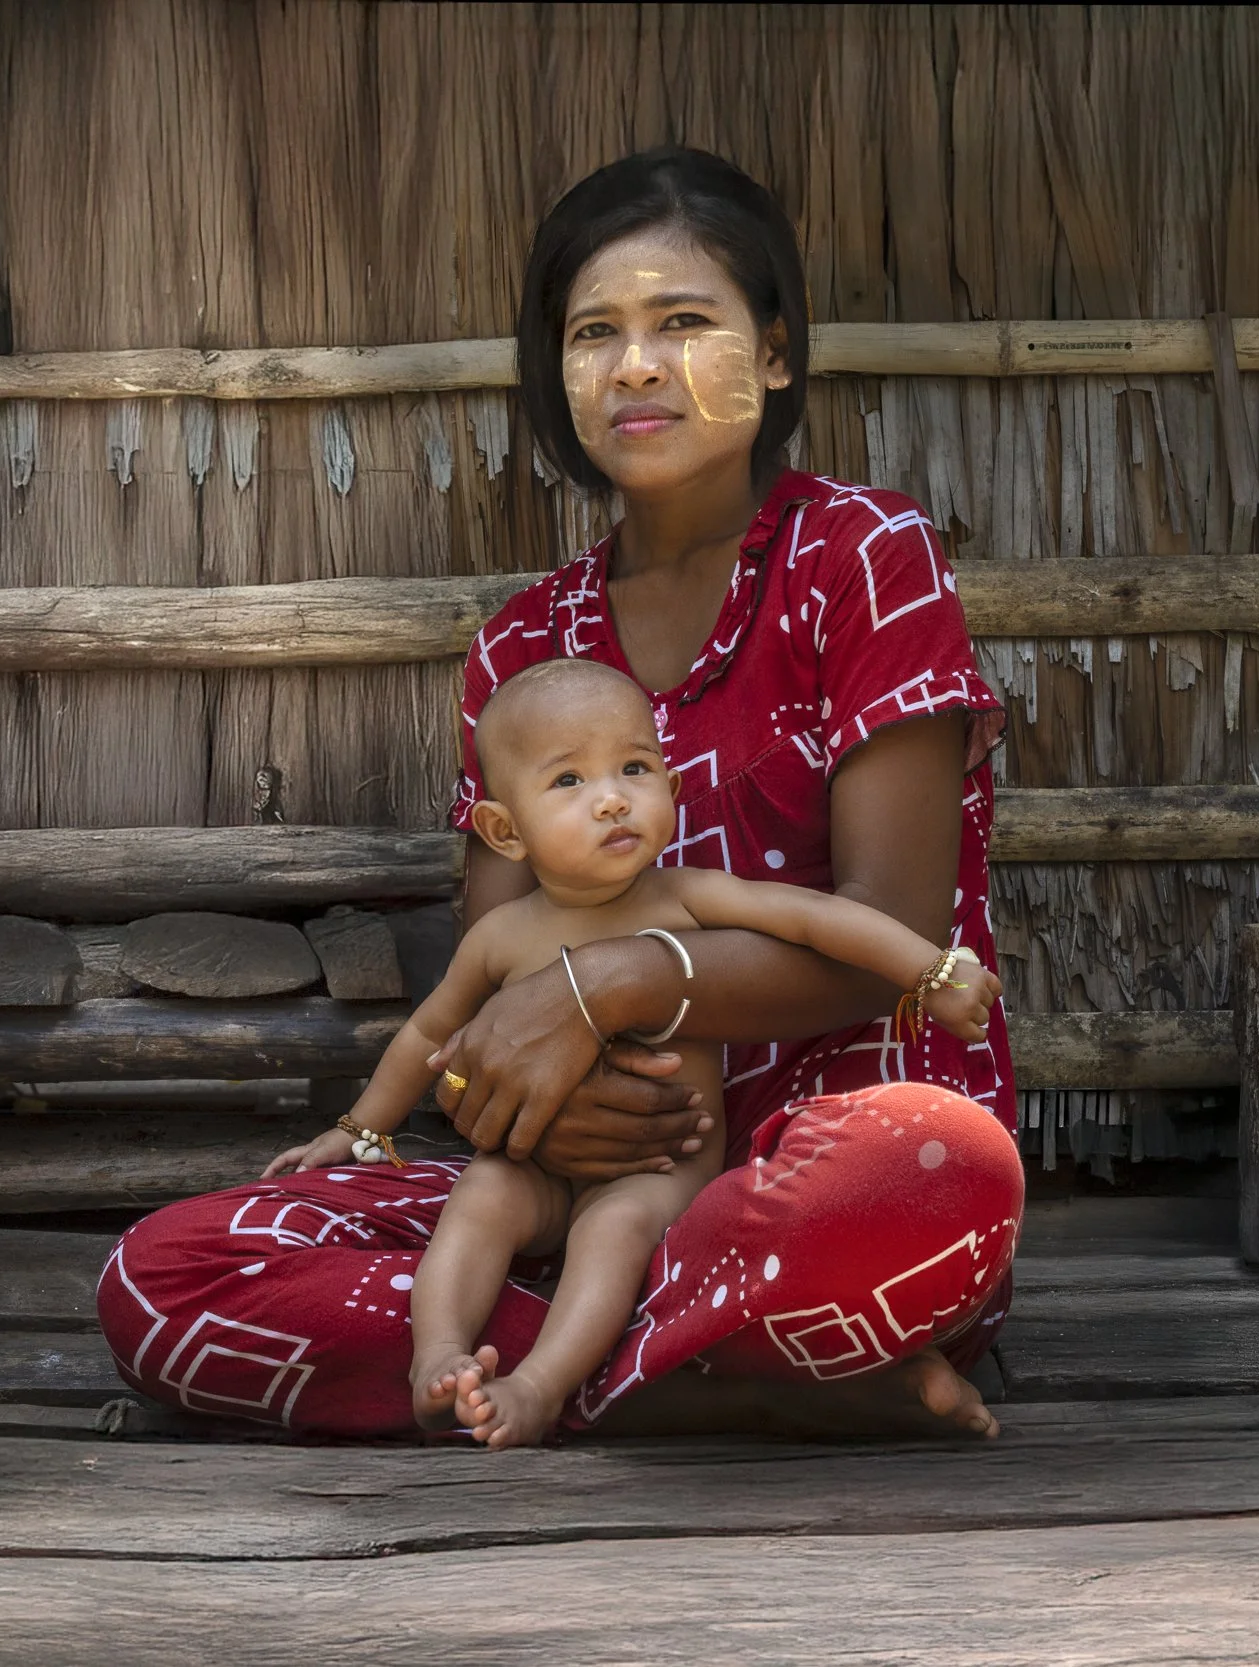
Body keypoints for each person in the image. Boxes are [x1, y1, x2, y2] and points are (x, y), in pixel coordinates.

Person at [98, 146, 1025, 1442]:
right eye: (598, 333)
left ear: (772, 354)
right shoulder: (526, 649)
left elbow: (890, 937)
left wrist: (618, 981)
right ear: (560, 377)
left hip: (821, 1186)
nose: (636, 363)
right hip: (586, 1190)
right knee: (168, 1273)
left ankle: (614, 1358)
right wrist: (519, 1100)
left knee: (941, 1167)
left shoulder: (865, 557)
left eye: (683, 322)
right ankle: (720, 1376)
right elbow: (494, 1013)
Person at [261, 657, 1000, 1447]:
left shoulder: (685, 896)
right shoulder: (500, 939)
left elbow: (815, 920)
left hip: (656, 1172)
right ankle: (437, 1356)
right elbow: (429, 1039)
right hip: (535, 1162)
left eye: (635, 768)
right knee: (478, 1200)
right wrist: (364, 1128)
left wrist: (931, 968)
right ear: (505, 831)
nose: (612, 797)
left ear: (673, 792)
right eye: (569, 781)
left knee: (610, 1234)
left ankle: (541, 1386)